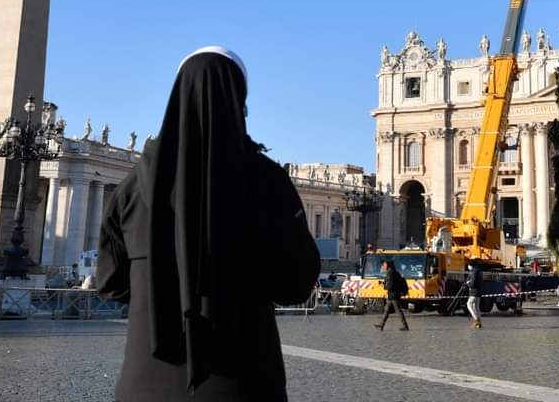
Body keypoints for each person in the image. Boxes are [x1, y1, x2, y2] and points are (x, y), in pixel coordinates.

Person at [97, 47, 320, 401]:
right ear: (239, 101)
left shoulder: (133, 186)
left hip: (145, 382)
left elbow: (110, 284)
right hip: (244, 382)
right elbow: (295, 286)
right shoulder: (267, 181)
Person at [375, 260, 409, 331]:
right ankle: (381, 324)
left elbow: (390, 285)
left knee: (398, 311)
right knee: (386, 310)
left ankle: (405, 326)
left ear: (388, 265)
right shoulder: (393, 272)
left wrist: (384, 286)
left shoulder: (390, 273)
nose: (383, 266)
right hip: (392, 295)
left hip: (394, 295)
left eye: (384, 265)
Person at [465, 263, 483, 329]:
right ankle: (479, 323)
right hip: (478, 292)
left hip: (473, 292)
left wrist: (468, 284)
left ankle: (476, 320)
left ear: (471, 266)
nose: (468, 267)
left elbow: (472, 283)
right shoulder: (479, 271)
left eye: (468, 265)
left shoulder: (474, 272)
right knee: (476, 307)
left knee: (469, 304)